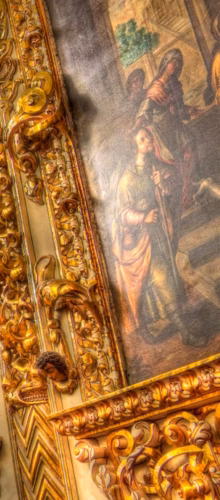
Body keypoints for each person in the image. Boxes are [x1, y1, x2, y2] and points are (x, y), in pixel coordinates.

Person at [112, 128, 191, 343]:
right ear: (135, 146)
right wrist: (144, 217)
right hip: (136, 240)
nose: (148, 140)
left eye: (148, 137)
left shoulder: (152, 168)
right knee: (161, 275)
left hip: (156, 231)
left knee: (168, 272)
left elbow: (164, 197)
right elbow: (123, 214)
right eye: (142, 139)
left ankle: (181, 322)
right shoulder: (127, 179)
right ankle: (184, 331)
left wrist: (160, 186)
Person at [135, 48, 196, 209]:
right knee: (172, 167)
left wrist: (194, 110)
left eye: (179, 62)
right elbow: (144, 111)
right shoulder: (155, 88)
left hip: (176, 130)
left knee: (188, 157)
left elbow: (181, 109)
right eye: (173, 62)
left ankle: (187, 196)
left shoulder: (176, 85)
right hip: (162, 134)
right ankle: (178, 203)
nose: (176, 65)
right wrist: (136, 126)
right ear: (165, 63)